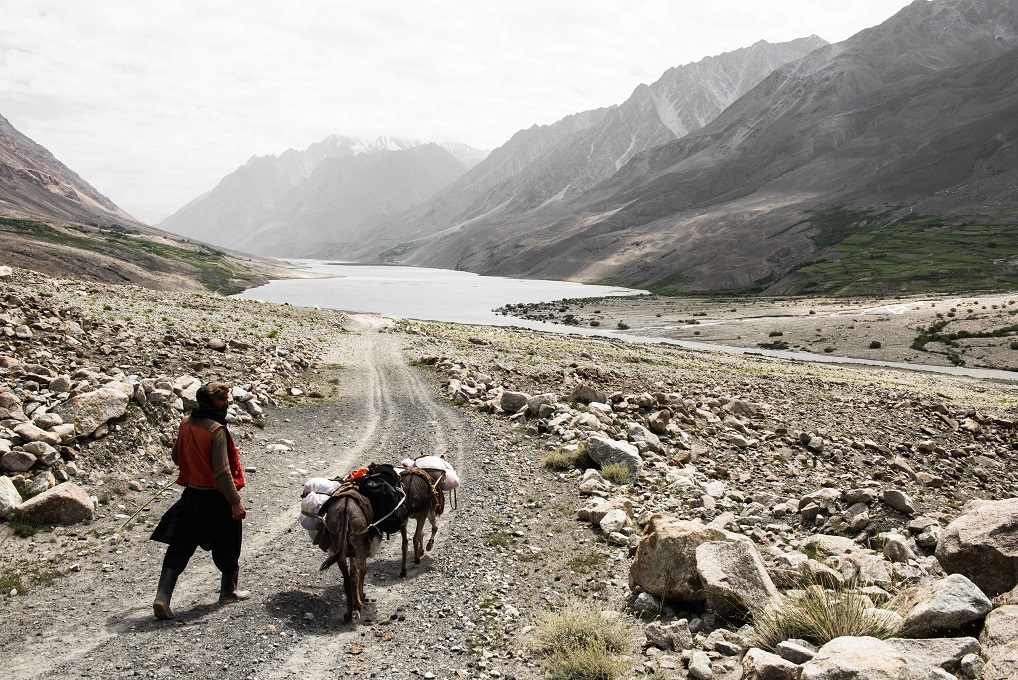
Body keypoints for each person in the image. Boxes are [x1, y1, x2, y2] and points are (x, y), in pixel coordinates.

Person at [150, 381, 249, 619]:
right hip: (216, 498)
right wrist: (235, 502)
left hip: (191, 496)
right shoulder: (217, 430)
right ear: (208, 402)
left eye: (226, 399)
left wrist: (194, 463)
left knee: (180, 545)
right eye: (221, 400)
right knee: (229, 542)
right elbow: (223, 473)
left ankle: (162, 597)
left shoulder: (186, 423)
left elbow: (176, 457)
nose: (226, 404)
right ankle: (228, 591)